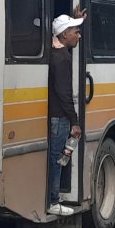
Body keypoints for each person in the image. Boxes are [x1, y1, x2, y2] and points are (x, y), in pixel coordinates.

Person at [47, 14, 84, 216]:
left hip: (55, 115)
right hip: (59, 117)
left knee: (56, 157)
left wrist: (77, 18)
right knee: (57, 158)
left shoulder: (54, 52)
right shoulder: (62, 58)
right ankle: (53, 200)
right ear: (63, 35)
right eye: (75, 32)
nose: (78, 35)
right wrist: (74, 121)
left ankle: (53, 197)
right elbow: (64, 93)